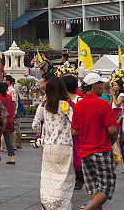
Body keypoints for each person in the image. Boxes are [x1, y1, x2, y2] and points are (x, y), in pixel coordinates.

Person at [70, 72, 117, 210]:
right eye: (101, 84)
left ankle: (90, 206)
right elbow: (112, 130)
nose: (103, 87)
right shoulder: (103, 103)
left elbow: (74, 131)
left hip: (85, 151)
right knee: (106, 187)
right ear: (95, 85)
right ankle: (86, 208)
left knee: (94, 189)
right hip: (101, 149)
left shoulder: (78, 105)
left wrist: (87, 131)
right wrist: (112, 141)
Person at [33, 76, 75, 210]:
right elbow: (75, 123)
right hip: (64, 145)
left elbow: (34, 125)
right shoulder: (65, 105)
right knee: (63, 179)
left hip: (48, 146)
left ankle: (47, 203)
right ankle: (62, 205)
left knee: (48, 177)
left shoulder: (43, 105)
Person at [63, 74, 84, 189]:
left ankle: (80, 178)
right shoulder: (63, 101)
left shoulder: (79, 100)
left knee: (77, 156)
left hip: (77, 133)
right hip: (66, 134)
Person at [0, 81, 16, 164]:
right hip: (8, 120)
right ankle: (11, 157)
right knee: (8, 139)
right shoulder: (9, 97)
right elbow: (12, 108)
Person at [4, 75, 22, 150]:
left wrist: (13, 112)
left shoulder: (12, 90)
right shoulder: (7, 90)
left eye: (5, 80)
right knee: (11, 129)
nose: (3, 81)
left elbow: (14, 102)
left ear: (9, 81)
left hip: (12, 112)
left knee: (13, 129)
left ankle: (15, 145)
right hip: (8, 112)